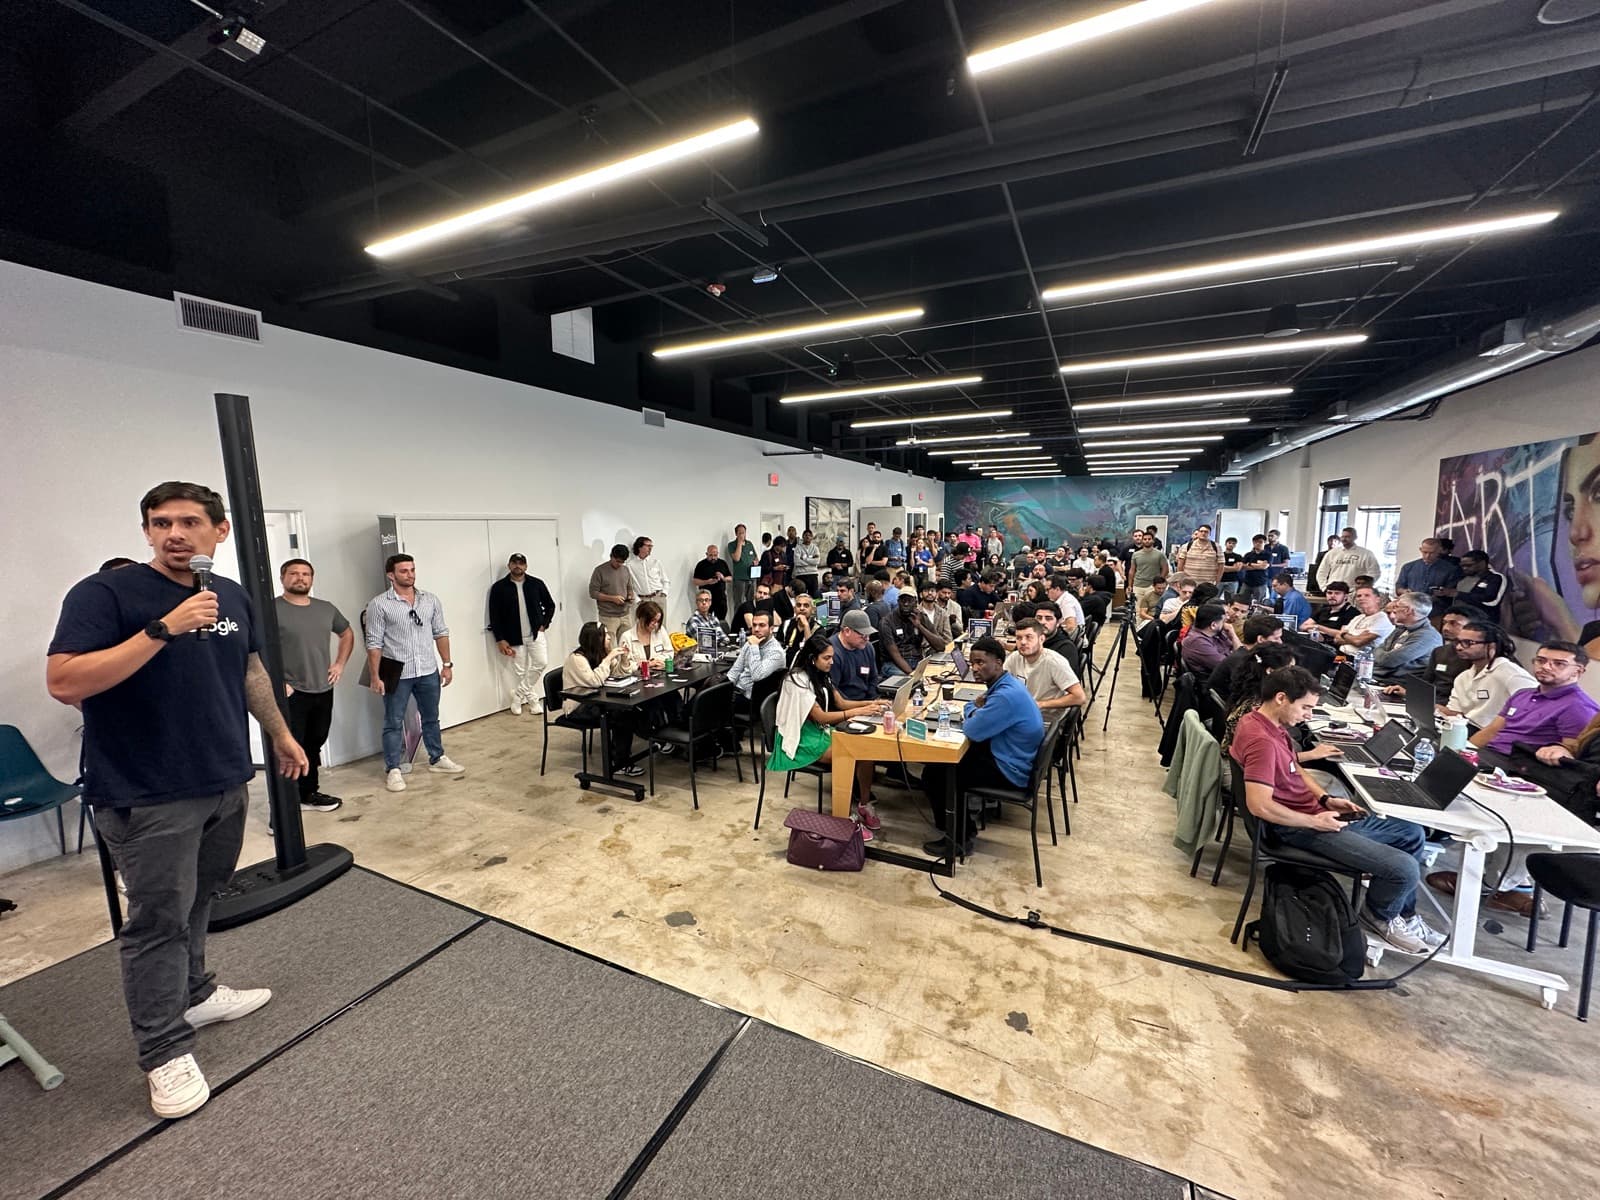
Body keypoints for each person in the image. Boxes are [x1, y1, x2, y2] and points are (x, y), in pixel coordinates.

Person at [46, 481, 308, 1119]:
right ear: (146, 531)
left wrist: (279, 732)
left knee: (198, 898)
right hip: (146, 790)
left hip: (222, 778)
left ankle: (193, 992)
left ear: (218, 532)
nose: (174, 534)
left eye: (190, 522)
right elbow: (63, 680)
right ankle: (163, 1050)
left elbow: (248, 670)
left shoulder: (233, 596)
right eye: (160, 523)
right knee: (156, 921)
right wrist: (162, 629)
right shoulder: (105, 594)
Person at [1230, 667, 1445, 955]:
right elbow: (1259, 804)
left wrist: (1325, 799)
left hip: (1313, 815)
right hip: (1295, 828)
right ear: (1281, 698)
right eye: (1305, 707)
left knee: (1411, 833)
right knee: (1404, 869)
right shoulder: (1263, 741)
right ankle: (1379, 916)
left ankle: (1403, 915)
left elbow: (1293, 765)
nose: (1308, 715)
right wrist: (1315, 821)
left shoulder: (1265, 723)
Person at [1431, 642, 1600, 914]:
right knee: (1434, 766)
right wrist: (1461, 753)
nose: (1546, 666)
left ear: (1578, 671)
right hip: (1494, 758)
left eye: (1558, 663)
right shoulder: (1524, 694)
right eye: (1541, 660)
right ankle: (1431, 838)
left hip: (1523, 771)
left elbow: (1572, 754)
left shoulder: (1578, 707)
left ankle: (1505, 886)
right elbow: (1493, 731)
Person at [919, 637, 1044, 858]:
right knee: (942, 764)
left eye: (980, 663)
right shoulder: (1007, 684)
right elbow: (974, 706)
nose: (974, 669)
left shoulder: (1005, 696)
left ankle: (957, 840)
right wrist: (974, 709)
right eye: (971, 663)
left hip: (1011, 770)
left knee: (937, 774)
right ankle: (962, 827)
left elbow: (973, 730)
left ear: (998, 662)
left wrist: (972, 711)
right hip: (1013, 756)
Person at [769, 631, 888, 830]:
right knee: (847, 756)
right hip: (800, 737)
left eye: (832, 657)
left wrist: (872, 704)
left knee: (865, 753)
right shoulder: (796, 680)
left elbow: (840, 703)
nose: (831, 662)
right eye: (826, 658)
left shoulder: (821, 674)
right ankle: (843, 817)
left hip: (818, 731)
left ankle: (864, 805)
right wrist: (859, 711)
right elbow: (820, 717)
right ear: (812, 659)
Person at [366, 554, 464, 793]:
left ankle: (437, 757)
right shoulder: (379, 605)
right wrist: (374, 676)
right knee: (393, 721)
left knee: (431, 717)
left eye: (412, 570)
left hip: (427, 669)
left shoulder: (429, 600)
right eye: (403, 571)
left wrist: (447, 664)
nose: (410, 575)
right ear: (391, 575)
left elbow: (441, 633)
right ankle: (393, 768)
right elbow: (374, 643)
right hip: (395, 671)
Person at [276, 558, 353, 812]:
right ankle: (283, 810)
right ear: (282, 578)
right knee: (289, 748)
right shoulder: (270, 609)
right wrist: (278, 681)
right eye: (294, 574)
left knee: (313, 743)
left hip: (322, 689)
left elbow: (347, 633)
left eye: (306, 574)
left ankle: (308, 794)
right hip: (291, 691)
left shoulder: (325, 608)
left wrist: (339, 663)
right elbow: (255, 648)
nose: (300, 578)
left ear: (312, 579)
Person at [562, 622, 643, 778]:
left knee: (632, 709)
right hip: (578, 706)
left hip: (599, 701)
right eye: (605, 635)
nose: (608, 638)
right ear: (595, 638)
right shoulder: (577, 659)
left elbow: (619, 674)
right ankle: (619, 763)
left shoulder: (601, 653)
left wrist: (624, 659)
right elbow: (595, 681)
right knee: (622, 716)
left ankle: (651, 741)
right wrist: (609, 658)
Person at [488, 553, 555, 717]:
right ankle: (533, 701)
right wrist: (500, 639)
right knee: (520, 672)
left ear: (526, 566)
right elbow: (495, 615)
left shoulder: (536, 584)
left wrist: (544, 624)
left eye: (521, 563)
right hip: (513, 637)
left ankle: (518, 696)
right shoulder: (499, 588)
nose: (518, 566)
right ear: (509, 565)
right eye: (514, 563)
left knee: (541, 663)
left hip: (535, 634)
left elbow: (550, 605)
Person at [1441, 621, 1535, 729]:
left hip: (1494, 736)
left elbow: (1536, 704)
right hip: (1465, 728)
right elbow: (1455, 713)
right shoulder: (1463, 677)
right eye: (1458, 642)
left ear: (1491, 646)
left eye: (1468, 642)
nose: (1459, 647)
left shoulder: (1510, 673)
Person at [1004, 619, 1086, 712]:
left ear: (1041, 639)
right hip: (1023, 712)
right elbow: (1000, 683)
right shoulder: (1015, 657)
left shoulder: (1054, 661)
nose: (1023, 642)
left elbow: (1079, 697)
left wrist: (1040, 704)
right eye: (1019, 638)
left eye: (1029, 637)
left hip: (1046, 717)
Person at [1212, 614, 1288, 702]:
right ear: (1260, 639)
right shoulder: (1242, 663)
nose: (1280, 642)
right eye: (1276, 638)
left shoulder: (1246, 655)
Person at [1372, 592, 1442, 681]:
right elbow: (1376, 650)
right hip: (1378, 677)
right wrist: (1381, 655)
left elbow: (1389, 661)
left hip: (1396, 685)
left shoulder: (1428, 637)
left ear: (1408, 610)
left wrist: (1381, 655)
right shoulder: (1401, 628)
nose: (1394, 610)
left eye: (1396, 606)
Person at [877, 591, 948, 675]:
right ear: (898, 602)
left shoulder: (921, 617)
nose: (906, 604)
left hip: (917, 660)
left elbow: (940, 646)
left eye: (909, 601)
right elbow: (895, 655)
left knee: (942, 673)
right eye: (903, 601)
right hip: (893, 664)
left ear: (915, 603)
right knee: (907, 682)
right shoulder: (886, 622)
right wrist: (913, 676)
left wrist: (919, 626)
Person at [727, 608, 786, 700]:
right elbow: (735, 670)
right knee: (708, 695)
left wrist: (754, 646)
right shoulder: (750, 643)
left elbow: (757, 676)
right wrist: (725, 688)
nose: (756, 629)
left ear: (771, 629)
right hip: (737, 691)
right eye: (754, 625)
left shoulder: (776, 652)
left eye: (762, 625)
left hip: (752, 698)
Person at [1180, 603, 1241, 686]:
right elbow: (1228, 667)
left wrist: (1233, 635)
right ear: (1213, 625)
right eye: (1223, 621)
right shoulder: (1198, 643)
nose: (1227, 621)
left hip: (1224, 678)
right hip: (1214, 686)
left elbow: (1240, 652)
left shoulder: (1216, 634)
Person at [829, 609, 881, 702]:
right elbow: (835, 693)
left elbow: (873, 678)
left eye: (868, 635)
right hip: (846, 706)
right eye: (863, 635)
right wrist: (862, 707)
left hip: (865, 701)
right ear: (847, 631)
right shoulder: (832, 653)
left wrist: (872, 701)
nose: (867, 639)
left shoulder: (867, 647)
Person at [1451, 549, 1508, 626]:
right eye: (1462, 566)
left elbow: (1491, 600)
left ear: (1482, 563)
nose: (1464, 568)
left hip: (1483, 622)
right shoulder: (1463, 577)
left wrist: (1459, 594)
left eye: (1469, 565)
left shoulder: (1496, 577)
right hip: (1461, 619)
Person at [1395, 537, 1462, 603]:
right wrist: (1404, 591)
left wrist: (1443, 593)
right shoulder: (1408, 567)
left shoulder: (1450, 569)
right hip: (1410, 604)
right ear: (1420, 549)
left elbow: (1450, 593)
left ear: (1439, 550)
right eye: (1425, 552)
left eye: (1431, 553)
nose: (1427, 556)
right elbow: (1399, 586)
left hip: (1436, 607)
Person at [1331, 584, 1394, 651]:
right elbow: (1336, 640)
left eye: (1367, 595)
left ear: (1377, 599)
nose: (1362, 598)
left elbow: (1358, 642)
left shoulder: (1383, 619)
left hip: (1360, 659)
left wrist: (1343, 634)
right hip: (1340, 655)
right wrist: (1354, 638)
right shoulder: (1357, 617)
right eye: (1359, 596)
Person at [589, 544, 635, 636]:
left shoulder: (625, 570)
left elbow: (629, 587)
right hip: (608, 616)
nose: (619, 564)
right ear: (611, 556)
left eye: (622, 562)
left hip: (625, 614)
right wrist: (612, 598)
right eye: (617, 561)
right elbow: (593, 593)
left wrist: (630, 596)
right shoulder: (599, 570)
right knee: (610, 646)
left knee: (627, 644)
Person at [626, 535, 670, 627]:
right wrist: (637, 600)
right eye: (648, 546)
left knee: (661, 626)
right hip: (643, 600)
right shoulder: (630, 565)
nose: (650, 548)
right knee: (643, 626)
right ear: (640, 547)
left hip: (658, 597)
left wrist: (664, 593)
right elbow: (629, 585)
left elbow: (665, 579)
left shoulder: (656, 562)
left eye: (651, 546)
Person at [619, 599, 671, 670]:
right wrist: (644, 665)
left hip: (659, 673)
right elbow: (624, 664)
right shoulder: (627, 637)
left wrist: (656, 661)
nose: (656, 625)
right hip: (637, 676)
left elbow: (669, 652)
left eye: (658, 621)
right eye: (653, 621)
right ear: (642, 618)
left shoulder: (660, 630)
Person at [692, 544, 733, 621]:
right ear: (706, 554)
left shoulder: (722, 563)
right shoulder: (701, 565)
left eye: (715, 555)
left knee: (721, 620)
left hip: (720, 598)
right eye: (711, 555)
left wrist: (723, 578)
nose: (713, 557)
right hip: (706, 599)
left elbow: (730, 578)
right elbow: (695, 581)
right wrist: (707, 582)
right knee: (705, 620)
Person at [727, 524, 758, 615]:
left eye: (743, 532)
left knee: (751, 602)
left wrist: (756, 562)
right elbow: (736, 558)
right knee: (739, 602)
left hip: (752, 578)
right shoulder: (732, 545)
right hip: (740, 578)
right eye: (740, 533)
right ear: (736, 534)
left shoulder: (749, 544)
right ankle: (738, 622)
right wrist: (739, 544)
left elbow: (756, 558)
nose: (742, 535)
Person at [781, 591, 819, 663]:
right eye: (798, 605)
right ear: (794, 609)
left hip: (805, 665)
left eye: (806, 605)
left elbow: (812, 652)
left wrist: (806, 626)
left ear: (812, 610)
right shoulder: (786, 624)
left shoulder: (818, 629)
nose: (802, 608)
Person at [1238, 534, 1272, 604]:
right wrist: (1258, 566)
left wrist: (1250, 564)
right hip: (1247, 582)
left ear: (1264, 543)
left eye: (1260, 542)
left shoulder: (1268, 555)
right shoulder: (1248, 555)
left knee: (1258, 603)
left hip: (1260, 583)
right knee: (1241, 601)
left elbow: (1264, 567)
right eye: (1255, 542)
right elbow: (1242, 566)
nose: (1258, 544)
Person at [792, 529, 822, 596]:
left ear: (812, 537)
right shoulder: (798, 548)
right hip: (801, 575)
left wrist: (804, 558)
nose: (808, 537)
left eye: (809, 535)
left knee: (814, 595)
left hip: (813, 574)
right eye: (806, 535)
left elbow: (817, 561)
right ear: (803, 537)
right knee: (801, 594)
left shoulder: (815, 548)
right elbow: (797, 562)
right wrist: (811, 560)